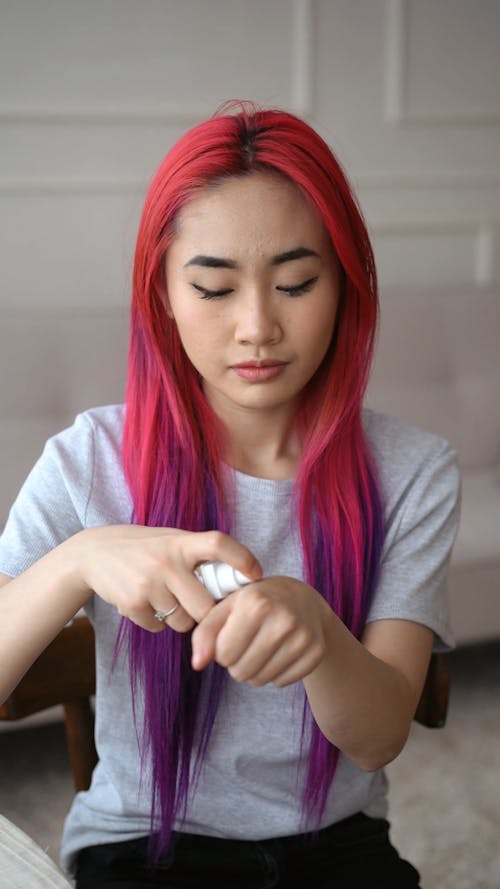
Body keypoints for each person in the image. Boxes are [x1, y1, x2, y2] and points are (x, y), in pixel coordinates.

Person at [0, 102, 460, 888]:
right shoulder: (89, 461)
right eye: (213, 289)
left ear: (345, 283)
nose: (257, 326)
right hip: (142, 846)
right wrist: (82, 558)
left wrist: (319, 635)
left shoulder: (412, 471)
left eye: (296, 283)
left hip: (337, 842)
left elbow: (379, 736)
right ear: (164, 295)